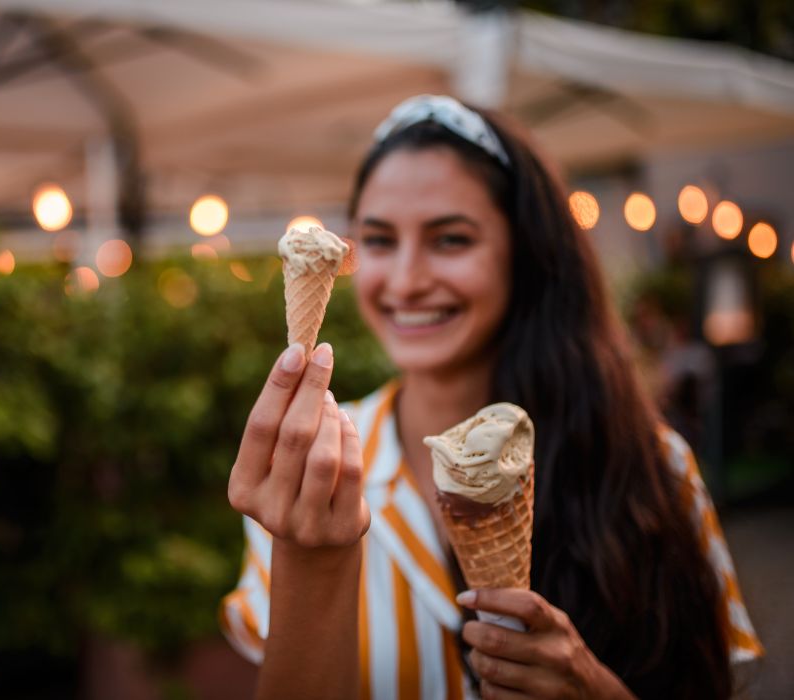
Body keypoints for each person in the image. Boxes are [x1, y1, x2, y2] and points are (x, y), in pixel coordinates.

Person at [221, 95, 762, 699]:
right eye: (378, 240)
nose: (405, 281)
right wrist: (310, 563)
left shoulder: (656, 465)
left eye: (450, 240)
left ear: (524, 254)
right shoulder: (305, 475)